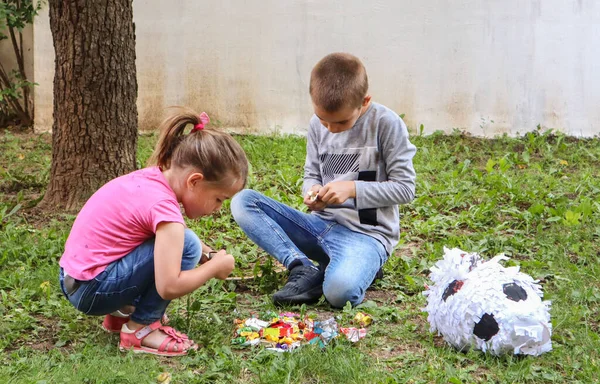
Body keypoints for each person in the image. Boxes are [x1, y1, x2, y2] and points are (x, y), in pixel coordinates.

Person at [231, 52, 416, 308]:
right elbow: (312, 174)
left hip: (365, 236)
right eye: (322, 120)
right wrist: (312, 190)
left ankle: (360, 268)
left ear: (365, 101)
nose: (330, 129)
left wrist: (352, 189)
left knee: (339, 294)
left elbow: (405, 188)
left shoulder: (386, 124)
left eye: (340, 121)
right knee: (243, 201)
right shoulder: (317, 125)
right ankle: (302, 267)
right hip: (319, 227)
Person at [59, 107, 248, 356]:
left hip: (75, 280)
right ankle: (141, 328)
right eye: (219, 199)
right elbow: (169, 286)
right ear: (194, 181)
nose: (218, 209)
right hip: (92, 290)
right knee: (186, 245)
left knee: (185, 242)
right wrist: (213, 268)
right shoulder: (165, 210)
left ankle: (121, 314)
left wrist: (209, 252)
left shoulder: (152, 180)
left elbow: (161, 234)